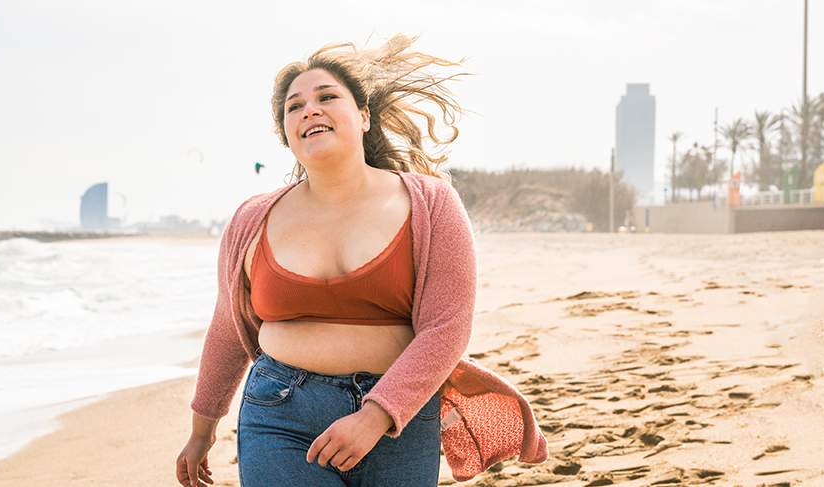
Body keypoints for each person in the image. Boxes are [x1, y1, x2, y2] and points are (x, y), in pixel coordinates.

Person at [176, 35, 547, 487]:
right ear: (286, 133)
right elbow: (226, 328)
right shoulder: (252, 219)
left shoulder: (431, 204)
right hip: (278, 417)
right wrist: (202, 428)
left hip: (400, 424)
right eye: (294, 106)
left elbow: (447, 327)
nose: (309, 109)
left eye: (327, 97)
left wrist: (375, 416)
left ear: (364, 115)